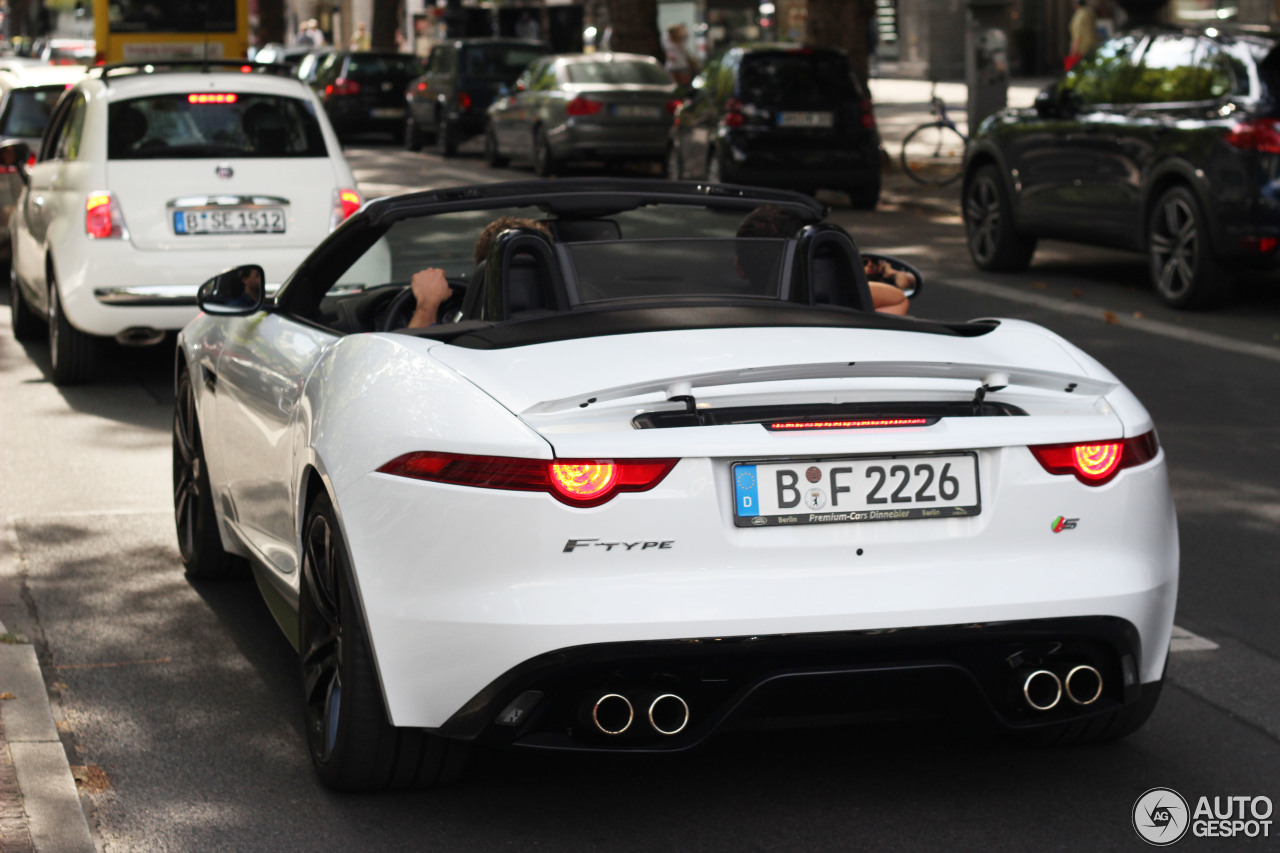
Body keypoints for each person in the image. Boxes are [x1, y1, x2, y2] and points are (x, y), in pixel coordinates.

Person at [735, 205, 911, 315]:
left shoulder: (726, 315)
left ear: (739, 269)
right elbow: (898, 299)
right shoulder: (837, 314)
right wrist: (842, 285)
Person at [407, 216, 551, 328]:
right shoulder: (568, 320)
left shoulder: (471, 336)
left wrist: (428, 304)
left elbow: (411, 359)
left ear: (482, 271)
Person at [1066, 0, 1099, 71]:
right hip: (1093, 44)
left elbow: (1077, 35)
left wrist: (1073, 50)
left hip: (1082, 48)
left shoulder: (1079, 15)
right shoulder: (1090, 12)